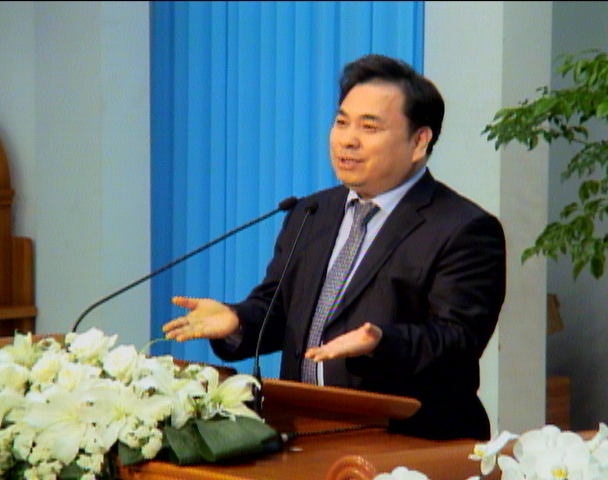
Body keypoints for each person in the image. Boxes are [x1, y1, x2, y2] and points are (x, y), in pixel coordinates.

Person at [163, 53, 506, 441]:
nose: (348, 139)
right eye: (342, 122)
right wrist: (236, 320)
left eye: (369, 127)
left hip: (408, 441)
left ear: (419, 141)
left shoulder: (463, 228)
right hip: (305, 432)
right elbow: (277, 309)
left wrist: (382, 342)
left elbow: (457, 341)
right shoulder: (311, 212)